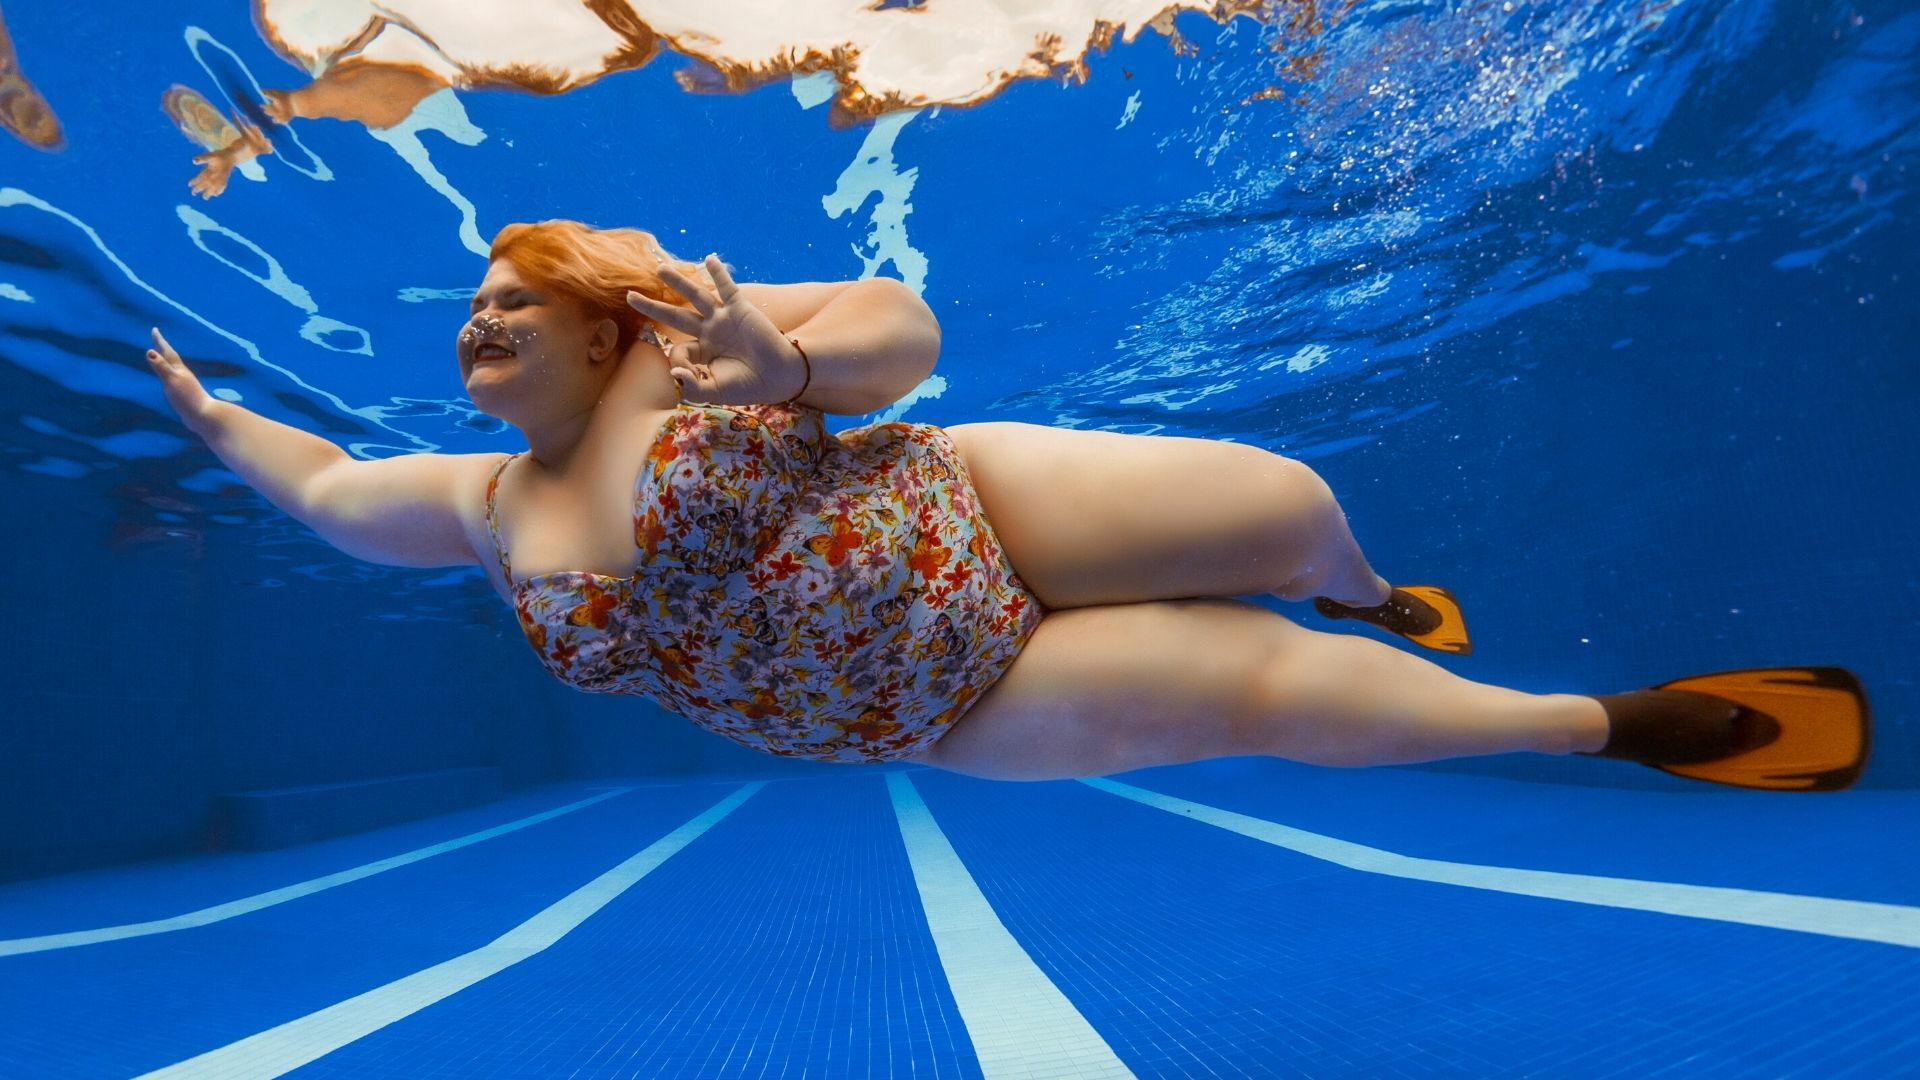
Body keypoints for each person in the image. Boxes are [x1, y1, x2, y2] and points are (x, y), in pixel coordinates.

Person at [141, 219, 1871, 791]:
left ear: (601, 322)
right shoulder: (477, 500)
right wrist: (228, 433)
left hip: (966, 508)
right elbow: (331, 488)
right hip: (939, 702)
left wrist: (788, 362)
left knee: (1287, 504)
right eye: (470, 310)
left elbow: (903, 324)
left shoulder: (690, 341)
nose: (480, 321)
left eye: (514, 301)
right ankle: (1611, 724)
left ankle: (1366, 583)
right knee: (1257, 693)